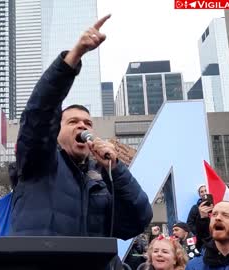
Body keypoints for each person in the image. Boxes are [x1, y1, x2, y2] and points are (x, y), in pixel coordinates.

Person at [11, 14, 152, 239]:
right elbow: (39, 113)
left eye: (87, 123)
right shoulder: (39, 161)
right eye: (73, 122)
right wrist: (74, 56)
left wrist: (115, 169)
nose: (82, 126)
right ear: (55, 132)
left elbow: (138, 220)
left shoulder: (102, 181)